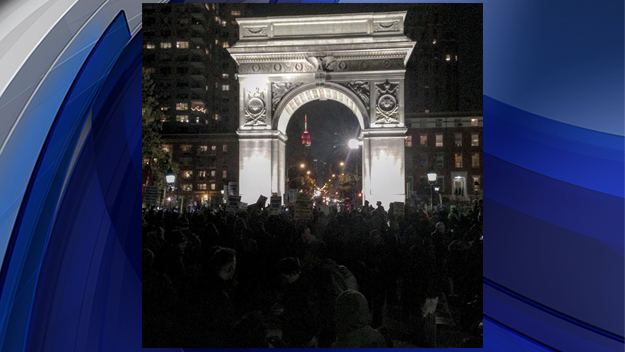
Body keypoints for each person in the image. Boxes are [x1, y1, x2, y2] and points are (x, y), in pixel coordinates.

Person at [273, 257, 318, 347]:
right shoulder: (295, 285)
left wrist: (283, 312)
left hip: (302, 334)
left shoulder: (305, 289)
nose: (283, 279)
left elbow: (308, 313)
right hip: (296, 333)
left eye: (285, 276)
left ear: (292, 273)